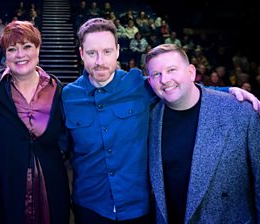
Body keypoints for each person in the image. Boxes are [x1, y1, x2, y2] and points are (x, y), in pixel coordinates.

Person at [61, 18, 260, 224]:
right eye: (92, 53)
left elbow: (180, 88)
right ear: (82, 53)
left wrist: (227, 92)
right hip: (90, 207)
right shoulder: (68, 96)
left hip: (137, 209)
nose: (100, 60)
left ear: (118, 51)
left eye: (107, 51)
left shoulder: (138, 84)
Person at [0, 20, 70, 224]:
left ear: (38, 48)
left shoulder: (58, 89)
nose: (20, 55)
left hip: (52, 186)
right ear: (5, 55)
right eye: (12, 49)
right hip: (6, 186)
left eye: (27, 46)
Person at [144, 44, 260, 223]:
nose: (164, 79)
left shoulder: (241, 112)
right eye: (156, 74)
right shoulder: (149, 119)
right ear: (150, 81)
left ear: (191, 72)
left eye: (172, 70)